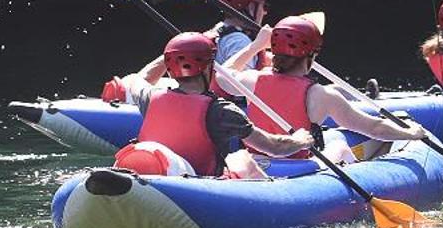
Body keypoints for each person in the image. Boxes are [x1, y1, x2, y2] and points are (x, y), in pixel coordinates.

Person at [221, 15, 431, 178]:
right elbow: (373, 128)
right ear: (312, 55)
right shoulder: (321, 95)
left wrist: (255, 45)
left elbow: (223, 74)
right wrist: (411, 133)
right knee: (339, 146)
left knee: (335, 137)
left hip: (256, 164)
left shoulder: (252, 80)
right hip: (298, 170)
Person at [104, 32, 313, 177]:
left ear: (170, 68)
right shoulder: (221, 111)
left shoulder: (150, 97)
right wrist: (300, 140)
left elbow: (140, 78)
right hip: (198, 186)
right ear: (209, 67)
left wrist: (173, 52)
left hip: (151, 175)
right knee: (242, 160)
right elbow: (273, 147)